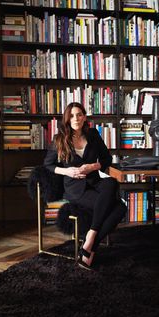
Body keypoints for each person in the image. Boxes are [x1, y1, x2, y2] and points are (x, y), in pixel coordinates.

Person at [44, 102, 126, 270]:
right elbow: (48, 165)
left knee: (111, 182)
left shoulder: (93, 134)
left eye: (79, 114)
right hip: (75, 189)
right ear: (67, 118)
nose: (76, 118)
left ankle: (90, 237)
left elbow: (106, 159)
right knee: (120, 208)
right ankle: (91, 248)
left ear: (84, 117)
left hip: (94, 181)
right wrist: (68, 172)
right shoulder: (59, 139)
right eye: (72, 115)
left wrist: (93, 166)